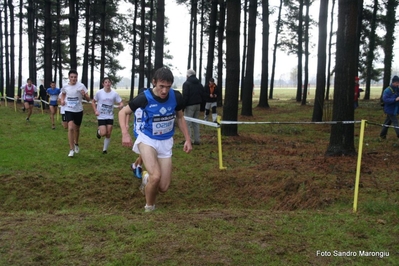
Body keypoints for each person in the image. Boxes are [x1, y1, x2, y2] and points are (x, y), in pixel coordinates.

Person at [119, 67, 192, 212]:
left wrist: (187, 139)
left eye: (168, 87)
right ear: (154, 83)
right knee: (156, 176)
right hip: (147, 140)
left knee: (163, 187)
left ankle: (146, 179)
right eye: (161, 86)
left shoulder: (176, 97)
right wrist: (124, 133)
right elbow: (123, 112)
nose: (164, 91)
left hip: (166, 142)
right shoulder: (144, 97)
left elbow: (180, 117)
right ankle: (149, 207)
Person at [60, 69, 90, 157]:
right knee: (70, 128)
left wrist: (84, 94)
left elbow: (88, 99)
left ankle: (76, 143)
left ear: (77, 77)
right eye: (72, 77)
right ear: (69, 77)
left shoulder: (81, 86)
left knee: (77, 129)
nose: (73, 79)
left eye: (75, 77)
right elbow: (63, 94)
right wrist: (62, 100)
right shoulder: (65, 86)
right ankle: (71, 149)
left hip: (78, 110)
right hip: (68, 109)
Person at [91, 77, 124, 154]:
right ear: (103, 84)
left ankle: (104, 150)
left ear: (111, 83)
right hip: (101, 115)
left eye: (109, 82)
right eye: (105, 82)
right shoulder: (99, 93)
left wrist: (121, 105)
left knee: (108, 133)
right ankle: (99, 132)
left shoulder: (114, 93)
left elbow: (121, 102)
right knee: (103, 133)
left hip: (110, 115)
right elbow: (93, 102)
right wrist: (95, 110)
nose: (107, 84)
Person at [182, 69, 204, 145]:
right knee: (196, 123)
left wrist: (183, 106)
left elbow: (185, 96)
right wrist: (202, 107)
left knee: (187, 123)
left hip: (189, 105)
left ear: (187, 75)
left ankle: (189, 140)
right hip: (198, 105)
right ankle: (197, 140)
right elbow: (202, 95)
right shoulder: (199, 84)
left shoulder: (186, 84)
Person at [379, 75, 399, 140]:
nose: (398, 84)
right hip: (390, 109)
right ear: (394, 82)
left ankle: (382, 135)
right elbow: (385, 100)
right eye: (397, 83)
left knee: (387, 122)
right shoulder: (387, 90)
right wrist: (395, 100)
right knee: (396, 123)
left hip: (395, 109)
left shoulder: (397, 89)